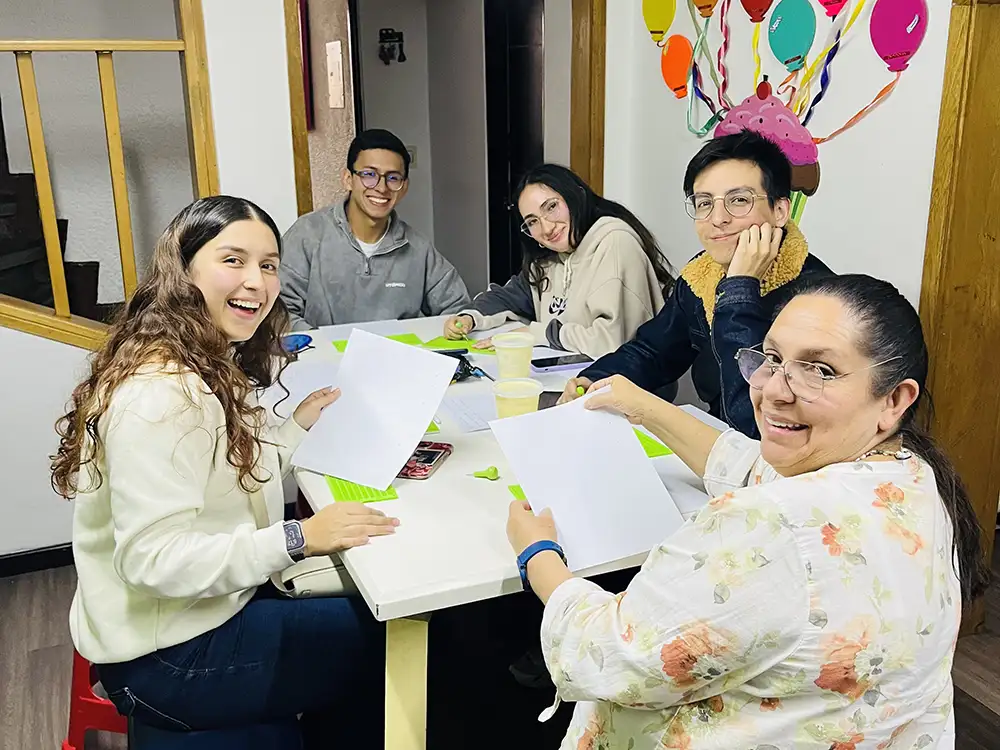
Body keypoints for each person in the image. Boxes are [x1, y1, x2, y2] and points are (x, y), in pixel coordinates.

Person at [508, 274, 990, 750]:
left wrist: (539, 554)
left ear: (894, 399)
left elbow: (610, 654)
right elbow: (750, 466)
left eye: (819, 370)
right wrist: (646, 408)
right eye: (773, 359)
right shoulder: (916, 476)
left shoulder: (770, 526)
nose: (775, 391)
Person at [53, 196, 399, 747]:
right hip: (166, 656)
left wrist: (296, 427)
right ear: (184, 269)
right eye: (232, 260)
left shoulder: (199, 354)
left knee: (365, 613)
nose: (257, 282)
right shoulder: (162, 394)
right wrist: (298, 537)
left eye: (267, 264)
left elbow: (229, 471)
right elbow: (153, 560)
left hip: (196, 610)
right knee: (395, 636)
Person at [559, 130, 831, 437]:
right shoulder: (702, 276)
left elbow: (758, 420)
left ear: (779, 210)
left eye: (738, 200)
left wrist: (740, 287)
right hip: (715, 444)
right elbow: (653, 352)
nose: (717, 219)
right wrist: (594, 379)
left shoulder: (819, 299)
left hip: (776, 463)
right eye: (704, 203)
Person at [442, 164, 675, 359]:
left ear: (576, 195)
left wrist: (538, 334)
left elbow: (611, 341)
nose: (547, 228)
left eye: (551, 207)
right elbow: (508, 297)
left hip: (628, 394)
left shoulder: (615, 243)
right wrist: (468, 317)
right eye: (532, 222)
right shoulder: (548, 260)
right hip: (573, 379)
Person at [279, 128, 471, 329]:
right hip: (325, 356)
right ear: (348, 179)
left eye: (393, 178)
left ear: (404, 187)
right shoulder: (307, 234)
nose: (381, 187)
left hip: (397, 357)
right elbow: (279, 311)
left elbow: (457, 309)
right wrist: (325, 348)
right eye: (369, 175)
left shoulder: (418, 249)